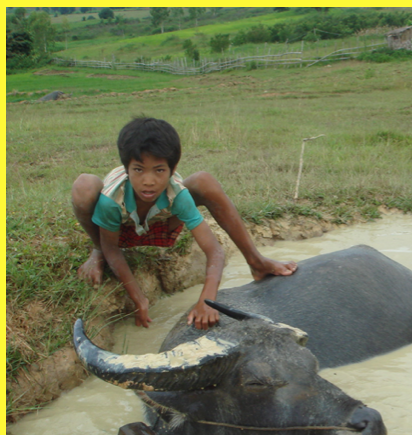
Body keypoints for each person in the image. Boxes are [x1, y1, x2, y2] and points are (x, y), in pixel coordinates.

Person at [72, 116, 297, 330]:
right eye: (138, 170)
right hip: (119, 230)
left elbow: (215, 252)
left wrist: (208, 301)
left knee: (204, 181)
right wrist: (140, 299)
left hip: (163, 224)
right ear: (126, 168)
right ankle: (96, 250)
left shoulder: (177, 194)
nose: (148, 181)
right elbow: (113, 249)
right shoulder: (112, 200)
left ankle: (256, 262)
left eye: (159, 170)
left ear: (172, 170)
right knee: (84, 185)